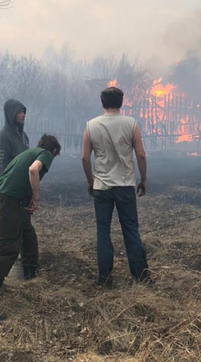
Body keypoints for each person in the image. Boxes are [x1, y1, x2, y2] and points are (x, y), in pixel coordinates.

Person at [0, 134, 61, 320]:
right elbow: (33, 170)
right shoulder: (45, 154)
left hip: (5, 196)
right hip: (8, 200)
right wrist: (36, 197)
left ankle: (30, 276)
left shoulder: (29, 151)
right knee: (7, 249)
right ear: (54, 151)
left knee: (28, 234)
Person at [81, 87, 151, 289]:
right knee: (131, 231)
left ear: (102, 102)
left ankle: (105, 280)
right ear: (121, 102)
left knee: (103, 233)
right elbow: (141, 155)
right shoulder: (131, 124)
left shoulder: (91, 125)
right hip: (125, 186)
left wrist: (90, 181)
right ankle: (141, 278)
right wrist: (143, 179)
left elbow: (85, 157)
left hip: (102, 187)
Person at [0, 99, 33, 279]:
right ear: (11, 114)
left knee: (27, 230)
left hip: (25, 189)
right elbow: (1, 166)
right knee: (11, 233)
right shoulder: (4, 137)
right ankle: (13, 271)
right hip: (11, 192)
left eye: (24, 111)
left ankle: (29, 269)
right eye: (19, 112)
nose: (23, 115)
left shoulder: (23, 137)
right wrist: (14, 185)